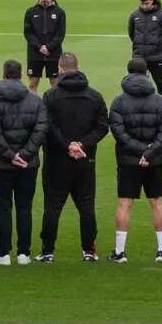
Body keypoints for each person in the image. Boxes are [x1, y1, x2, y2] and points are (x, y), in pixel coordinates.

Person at [38, 52, 108, 262]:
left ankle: (48, 251)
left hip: (57, 159)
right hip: (85, 159)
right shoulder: (94, 96)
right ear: (77, 67)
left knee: (52, 205)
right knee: (86, 204)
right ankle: (89, 250)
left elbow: (47, 126)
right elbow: (103, 127)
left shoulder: (50, 96)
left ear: (59, 69)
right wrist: (82, 144)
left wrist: (67, 144)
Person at [0, 59, 45, 265]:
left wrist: (10, 155)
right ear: (21, 75)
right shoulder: (35, 100)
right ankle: (24, 253)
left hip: (2, 163)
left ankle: (3, 253)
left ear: (4, 74)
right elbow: (41, 129)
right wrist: (25, 154)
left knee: (4, 207)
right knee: (25, 207)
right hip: (28, 163)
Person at [108, 57, 162, 263]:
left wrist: (139, 151)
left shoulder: (119, 101)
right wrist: (149, 152)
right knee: (157, 202)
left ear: (128, 73)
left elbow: (119, 132)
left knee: (125, 204)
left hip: (128, 160)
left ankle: (120, 252)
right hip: (153, 160)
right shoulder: (161, 101)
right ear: (147, 74)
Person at [127, 0, 162, 96]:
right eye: (142, 4)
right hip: (139, 58)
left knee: (160, 85)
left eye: (147, 3)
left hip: (157, 57)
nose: (145, 6)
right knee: (137, 86)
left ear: (152, 1)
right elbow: (132, 34)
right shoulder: (134, 16)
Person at [23, 0, 66, 90]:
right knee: (33, 83)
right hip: (35, 53)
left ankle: (54, 106)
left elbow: (60, 34)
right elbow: (28, 33)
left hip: (54, 53)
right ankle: (33, 106)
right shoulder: (30, 12)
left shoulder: (60, 12)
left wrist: (48, 47)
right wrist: (39, 46)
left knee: (55, 84)